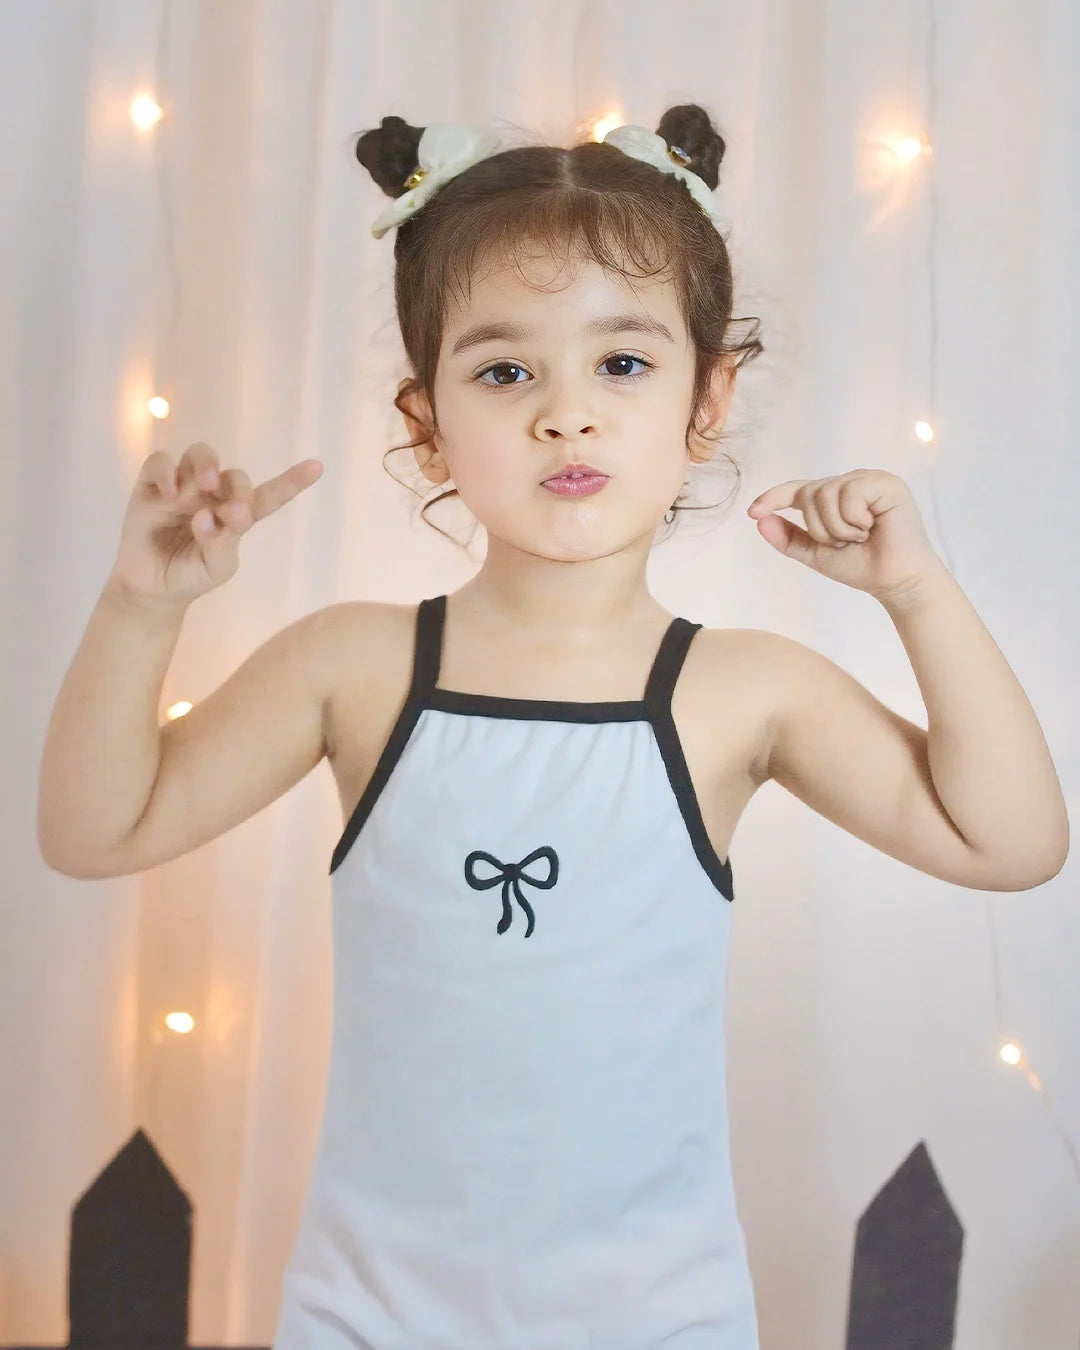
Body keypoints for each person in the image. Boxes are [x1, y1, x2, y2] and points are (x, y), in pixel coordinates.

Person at [37, 102, 1068, 1349]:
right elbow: (95, 832)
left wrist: (916, 591)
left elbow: (1011, 843)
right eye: (505, 371)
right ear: (426, 424)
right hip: (371, 1315)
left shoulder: (742, 690)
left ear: (708, 396)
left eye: (621, 364)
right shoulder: (355, 665)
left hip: (660, 1319)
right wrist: (141, 608)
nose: (565, 415)